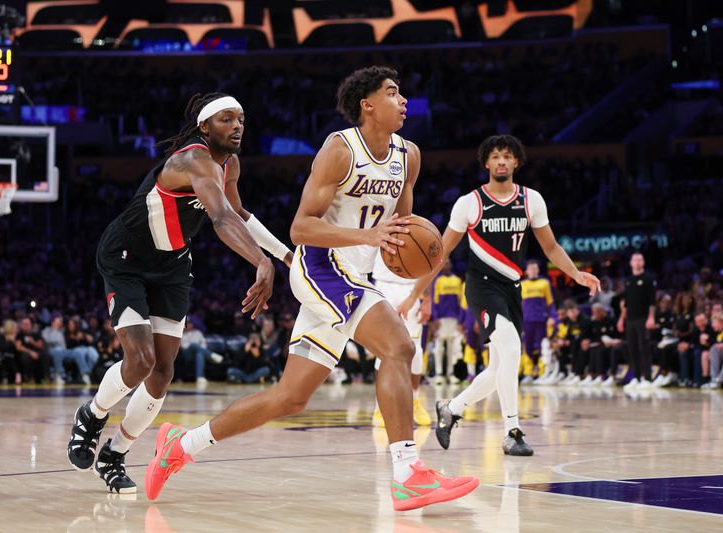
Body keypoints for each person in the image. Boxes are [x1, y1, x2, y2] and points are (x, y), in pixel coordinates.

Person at [146, 66, 479, 511]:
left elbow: (399, 230)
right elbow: (301, 227)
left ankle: (180, 446)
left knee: (290, 398)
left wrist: (408, 254)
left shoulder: (409, 155)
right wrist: (368, 238)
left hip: (355, 276)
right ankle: (407, 473)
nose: (404, 102)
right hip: (321, 268)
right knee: (399, 348)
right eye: (393, 93)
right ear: (367, 104)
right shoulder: (340, 150)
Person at [66, 92, 290, 494]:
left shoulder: (230, 164)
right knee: (139, 360)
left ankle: (115, 454)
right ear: (205, 126)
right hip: (127, 257)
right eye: (227, 119)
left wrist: (284, 255)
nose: (238, 125)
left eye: (241, 118)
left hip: (172, 266)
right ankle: (93, 414)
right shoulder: (193, 159)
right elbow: (220, 218)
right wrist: (260, 262)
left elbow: (237, 212)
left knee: (163, 371)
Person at [400, 134, 600, 456]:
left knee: (498, 369)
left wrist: (575, 274)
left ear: (516, 162)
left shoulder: (531, 199)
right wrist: (414, 295)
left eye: (507, 156)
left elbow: (550, 247)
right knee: (511, 348)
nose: (501, 161)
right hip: (481, 286)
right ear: (486, 163)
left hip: (512, 289)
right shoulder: (470, 203)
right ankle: (512, 432)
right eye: (495, 157)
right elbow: (440, 255)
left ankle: (451, 408)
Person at [370, 250, 432, 428]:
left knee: (415, 351)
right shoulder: (376, 223)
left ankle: (415, 400)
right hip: (383, 287)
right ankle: (380, 406)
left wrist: (427, 299)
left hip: (412, 289)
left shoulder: (416, 224)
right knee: (384, 351)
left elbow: (429, 261)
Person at [617, 252, 657, 390]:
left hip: (643, 318)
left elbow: (652, 301)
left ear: (643, 262)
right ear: (631, 263)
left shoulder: (648, 279)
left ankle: (648, 378)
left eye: (640, 259)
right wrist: (621, 319)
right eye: (635, 259)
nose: (638, 262)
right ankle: (636, 377)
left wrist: (651, 317)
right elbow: (626, 303)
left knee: (644, 348)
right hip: (630, 319)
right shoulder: (628, 280)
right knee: (632, 348)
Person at [519, 260, 557, 384]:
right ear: (526, 271)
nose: (533, 270)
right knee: (527, 347)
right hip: (527, 321)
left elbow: (550, 303)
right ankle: (528, 373)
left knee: (542, 347)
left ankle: (542, 373)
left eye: (535, 268)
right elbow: (518, 305)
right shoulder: (522, 285)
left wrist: (552, 317)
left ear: (538, 270)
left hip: (541, 320)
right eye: (531, 268)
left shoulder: (545, 283)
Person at [429, 259, 464, 385]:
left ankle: (450, 373)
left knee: (451, 347)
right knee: (439, 346)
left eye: (449, 263)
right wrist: (435, 318)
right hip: (441, 319)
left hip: (453, 318)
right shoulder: (437, 281)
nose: (447, 266)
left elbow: (461, 302)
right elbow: (434, 301)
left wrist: (460, 320)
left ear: (451, 265)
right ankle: (439, 373)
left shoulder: (457, 281)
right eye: (444, 264)